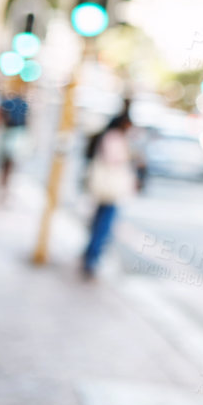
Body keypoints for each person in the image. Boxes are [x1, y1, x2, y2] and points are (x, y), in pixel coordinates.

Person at [81, 108, 136, 279]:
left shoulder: (110, 136)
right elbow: (115, 159)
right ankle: (92, 258)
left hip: (107, 188)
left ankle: (91, 255)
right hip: (109, 188)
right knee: (104, 224)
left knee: (100, 222)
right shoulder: (114, 137)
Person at [0, 84, 29, 205]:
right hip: (11, 133)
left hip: (14, 133)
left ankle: (4, 183)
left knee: (9, 160)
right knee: (6, 160)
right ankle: (3, 183)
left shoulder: (21, 104)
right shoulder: (11, 103)